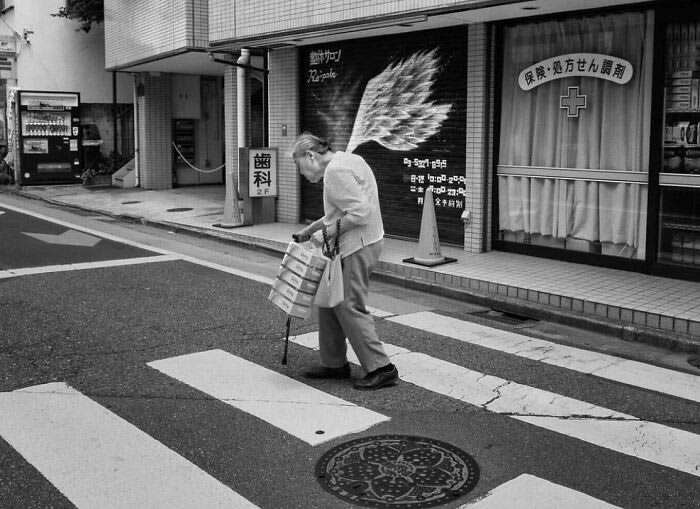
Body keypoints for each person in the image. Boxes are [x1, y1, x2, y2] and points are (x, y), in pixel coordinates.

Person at [291, 132, 398, 391]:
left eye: (299, 165)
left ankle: (382, 369)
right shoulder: (348, 160)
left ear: (310, 155)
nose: (302, 173)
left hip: (358, 246)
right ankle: (334, 363)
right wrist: (310, 231)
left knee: (349, 304)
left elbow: (361, 212)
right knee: (330, 302)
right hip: (360, 243)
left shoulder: (336, 172)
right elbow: (339, 213)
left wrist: (323, 233)